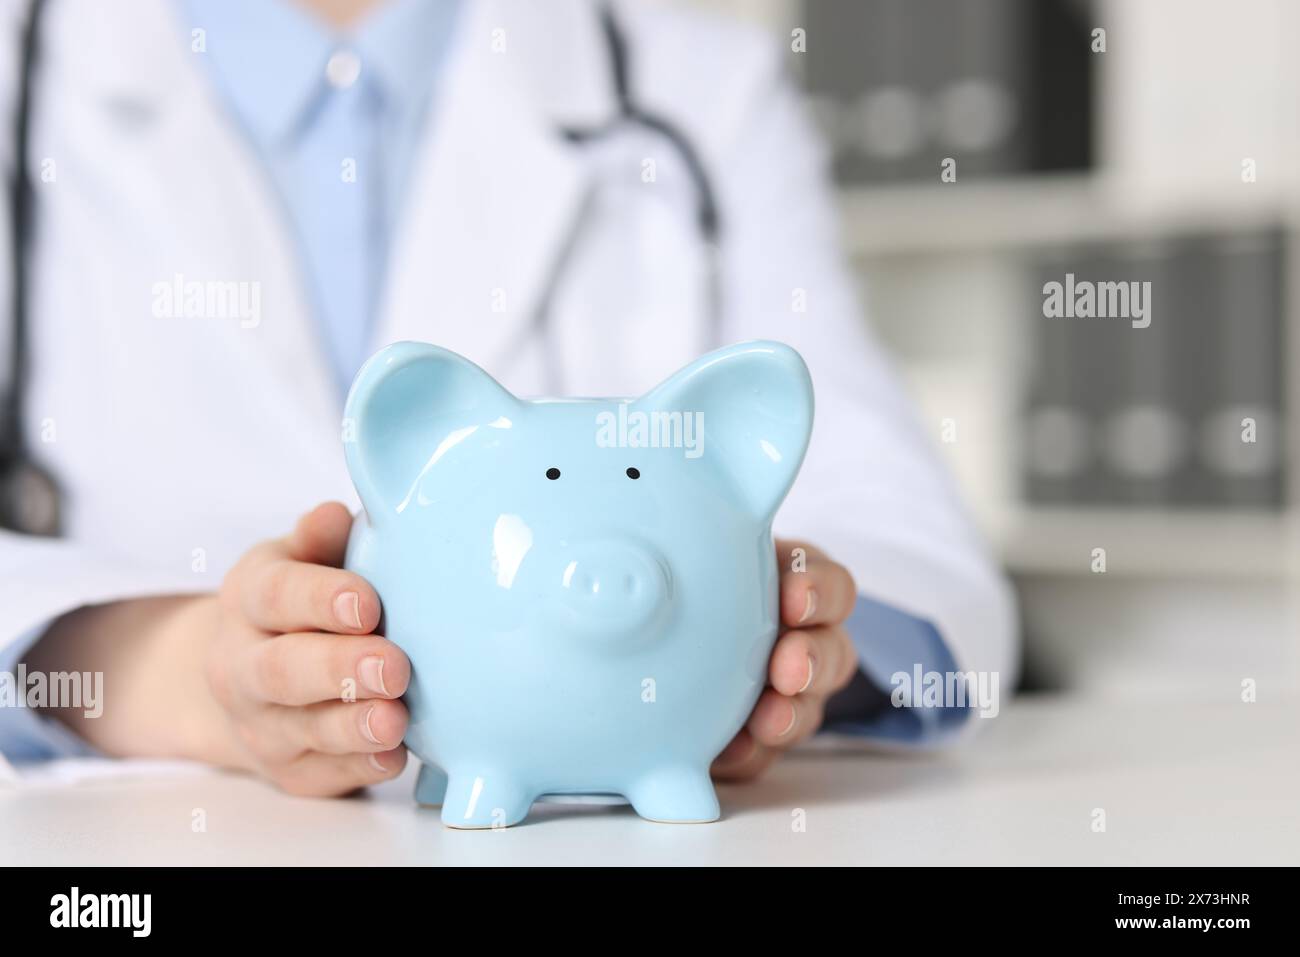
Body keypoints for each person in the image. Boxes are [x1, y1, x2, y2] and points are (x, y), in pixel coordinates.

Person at [0, 0, 1017, 795]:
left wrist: (780, 650)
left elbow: (907, 543)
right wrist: (172, 671)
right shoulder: (27, 73)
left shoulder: (702, 89)